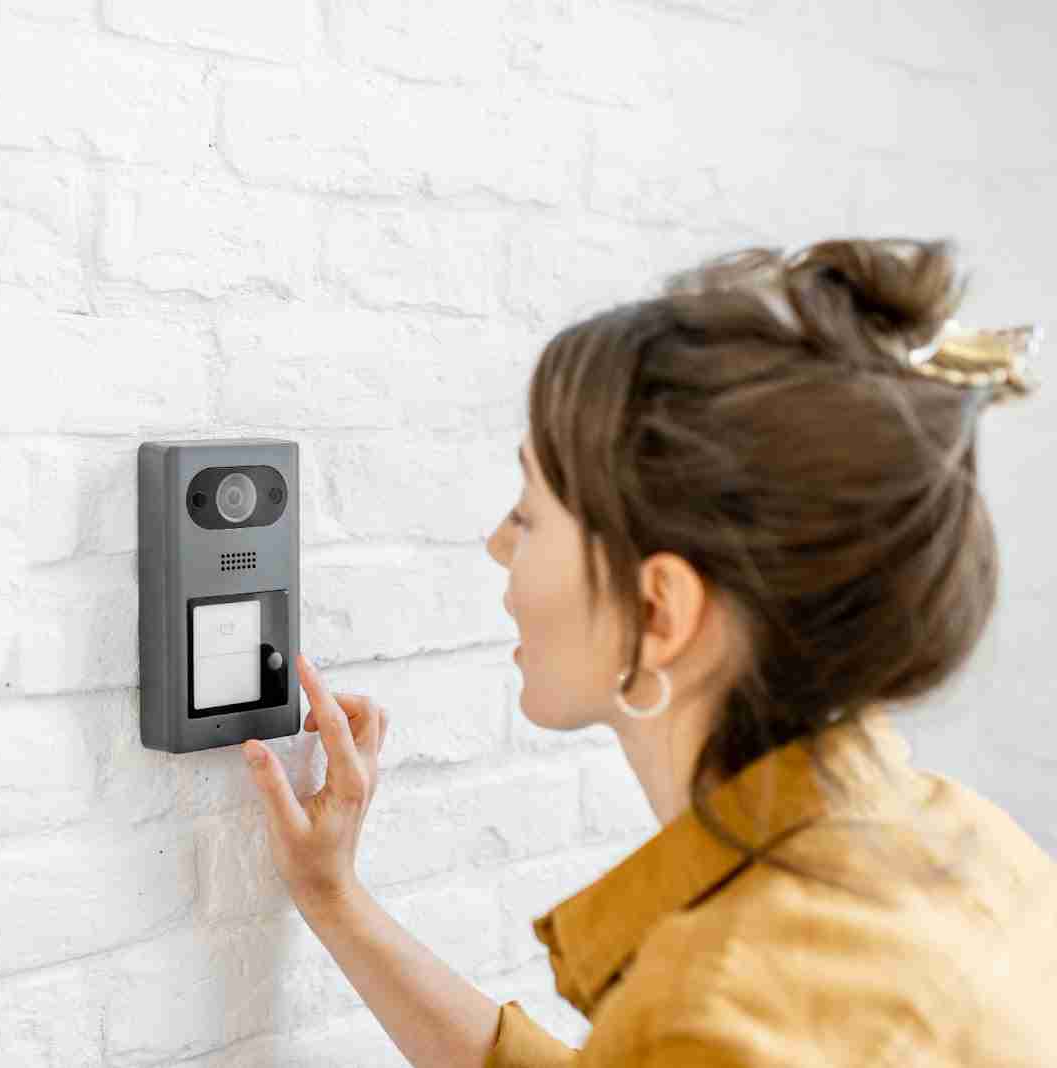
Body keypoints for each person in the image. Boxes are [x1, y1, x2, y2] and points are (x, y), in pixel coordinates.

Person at [241, 237, 1054, 1066]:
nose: (497, 544)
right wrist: (335, 898)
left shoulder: (712, 1010)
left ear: (658, 609)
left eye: (528, 515)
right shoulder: (980, 849)